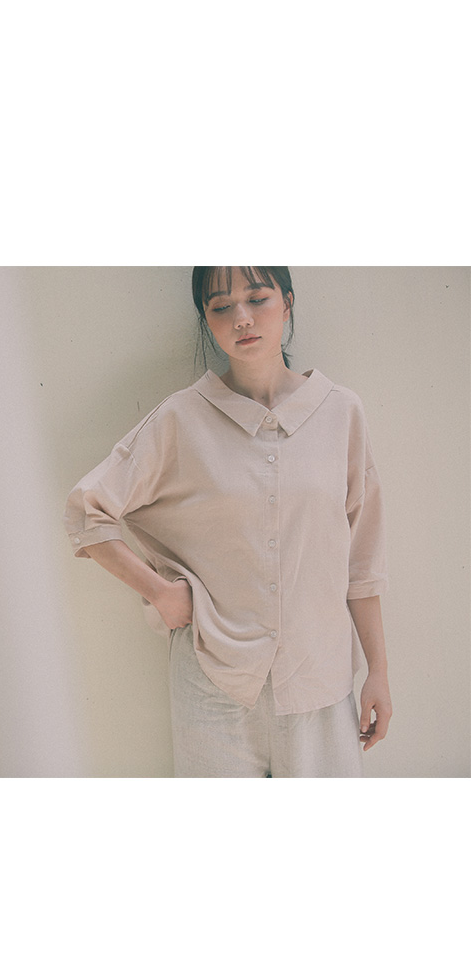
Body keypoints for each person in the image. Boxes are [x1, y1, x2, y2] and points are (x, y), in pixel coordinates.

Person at [64, 267, 392, 778]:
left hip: (320, 684)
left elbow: (362, 561)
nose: (242, 318)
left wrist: (379, 672)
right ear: (207, 319)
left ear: (287, 302)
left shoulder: (341, 412)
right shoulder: (182, 418)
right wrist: (160, 593)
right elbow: (87, 509)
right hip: (212, 686)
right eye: (221, 307)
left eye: (257, 299)